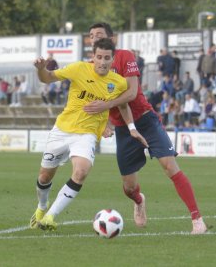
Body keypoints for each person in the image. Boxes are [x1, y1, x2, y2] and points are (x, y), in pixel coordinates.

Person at [83, 22, 207, 234]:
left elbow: (131, 94)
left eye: (99, 35)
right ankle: (139, 201)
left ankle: (197, 219)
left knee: (169, 166)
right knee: (129, 188)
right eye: (92, 36)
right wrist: (104, 123)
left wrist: (106, 106)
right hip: (123, 130)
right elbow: (94, 101)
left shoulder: (125, 56)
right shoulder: (88, 68)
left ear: (112, 39)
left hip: (146, 120)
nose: (95, 38)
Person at [29, 38, 148, 231]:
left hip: (87, 135)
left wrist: (132, 127)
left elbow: (123, 106)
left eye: (106, 58)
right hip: (62, 130)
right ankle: (42, 207)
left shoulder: (118, 82)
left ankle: (51, 216)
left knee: (81, 171)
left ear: (112, 59)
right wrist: (40, 69)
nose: (102, 61)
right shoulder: (78, 69)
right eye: (99, 57)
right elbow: (47, 78)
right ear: (93, 56)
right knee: (44, 177)